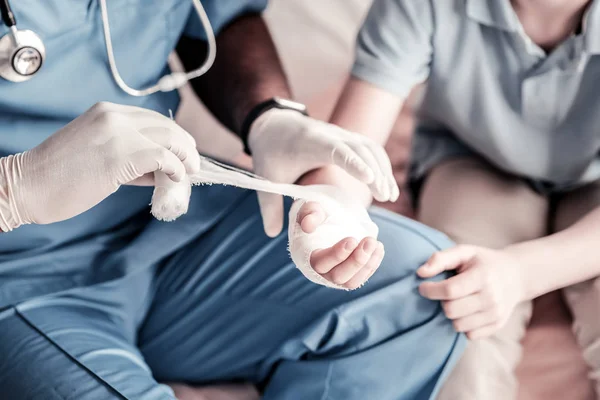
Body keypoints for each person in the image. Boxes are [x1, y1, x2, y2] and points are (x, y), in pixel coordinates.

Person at [0, 1, 465, 399]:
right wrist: (15, 189)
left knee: (426, 287)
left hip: (171, 211)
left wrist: (268, 114)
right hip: (25, 270)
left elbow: (212, 16)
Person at [331, 0, 600, 398]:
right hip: (472, 160)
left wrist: (522, 273)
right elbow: (347, 158)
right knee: (457, 309)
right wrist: (331, 221)